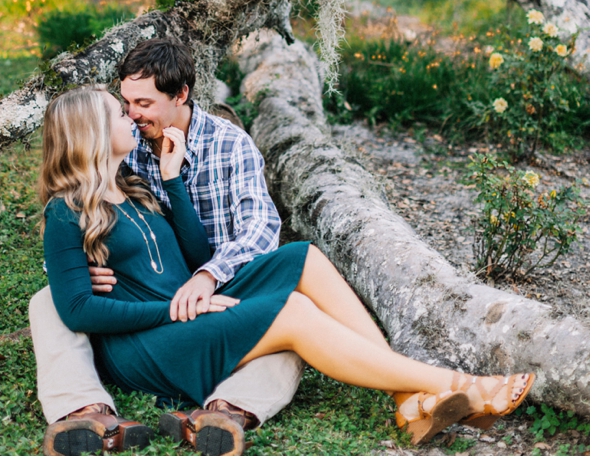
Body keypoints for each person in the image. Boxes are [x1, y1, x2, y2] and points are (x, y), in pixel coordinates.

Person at [39, 82, 536, 451]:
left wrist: (172, 180)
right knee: (294, 313)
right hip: (153, 343)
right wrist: (170, 310)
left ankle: (406, 394)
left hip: (189, 308)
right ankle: (449, 384)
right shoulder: (66, 211)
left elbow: (193, 257)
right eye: (116, 113)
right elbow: (78, 311)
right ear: (92, 134)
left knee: (302, 257)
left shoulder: (135, 185)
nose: (129, 117)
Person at [30, 38, 304, 456]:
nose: (133, 115)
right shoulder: (125, 155)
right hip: (154, 313)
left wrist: (208, 275)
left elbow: (256, 230)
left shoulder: (227, 145)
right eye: (124, 107)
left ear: (180, 96)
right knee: (48, 300)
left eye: (139, 105)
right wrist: (78, 272)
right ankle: (84, 411)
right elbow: (73, 239)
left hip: (219, 282)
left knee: (288, 328)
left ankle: (226, 412)